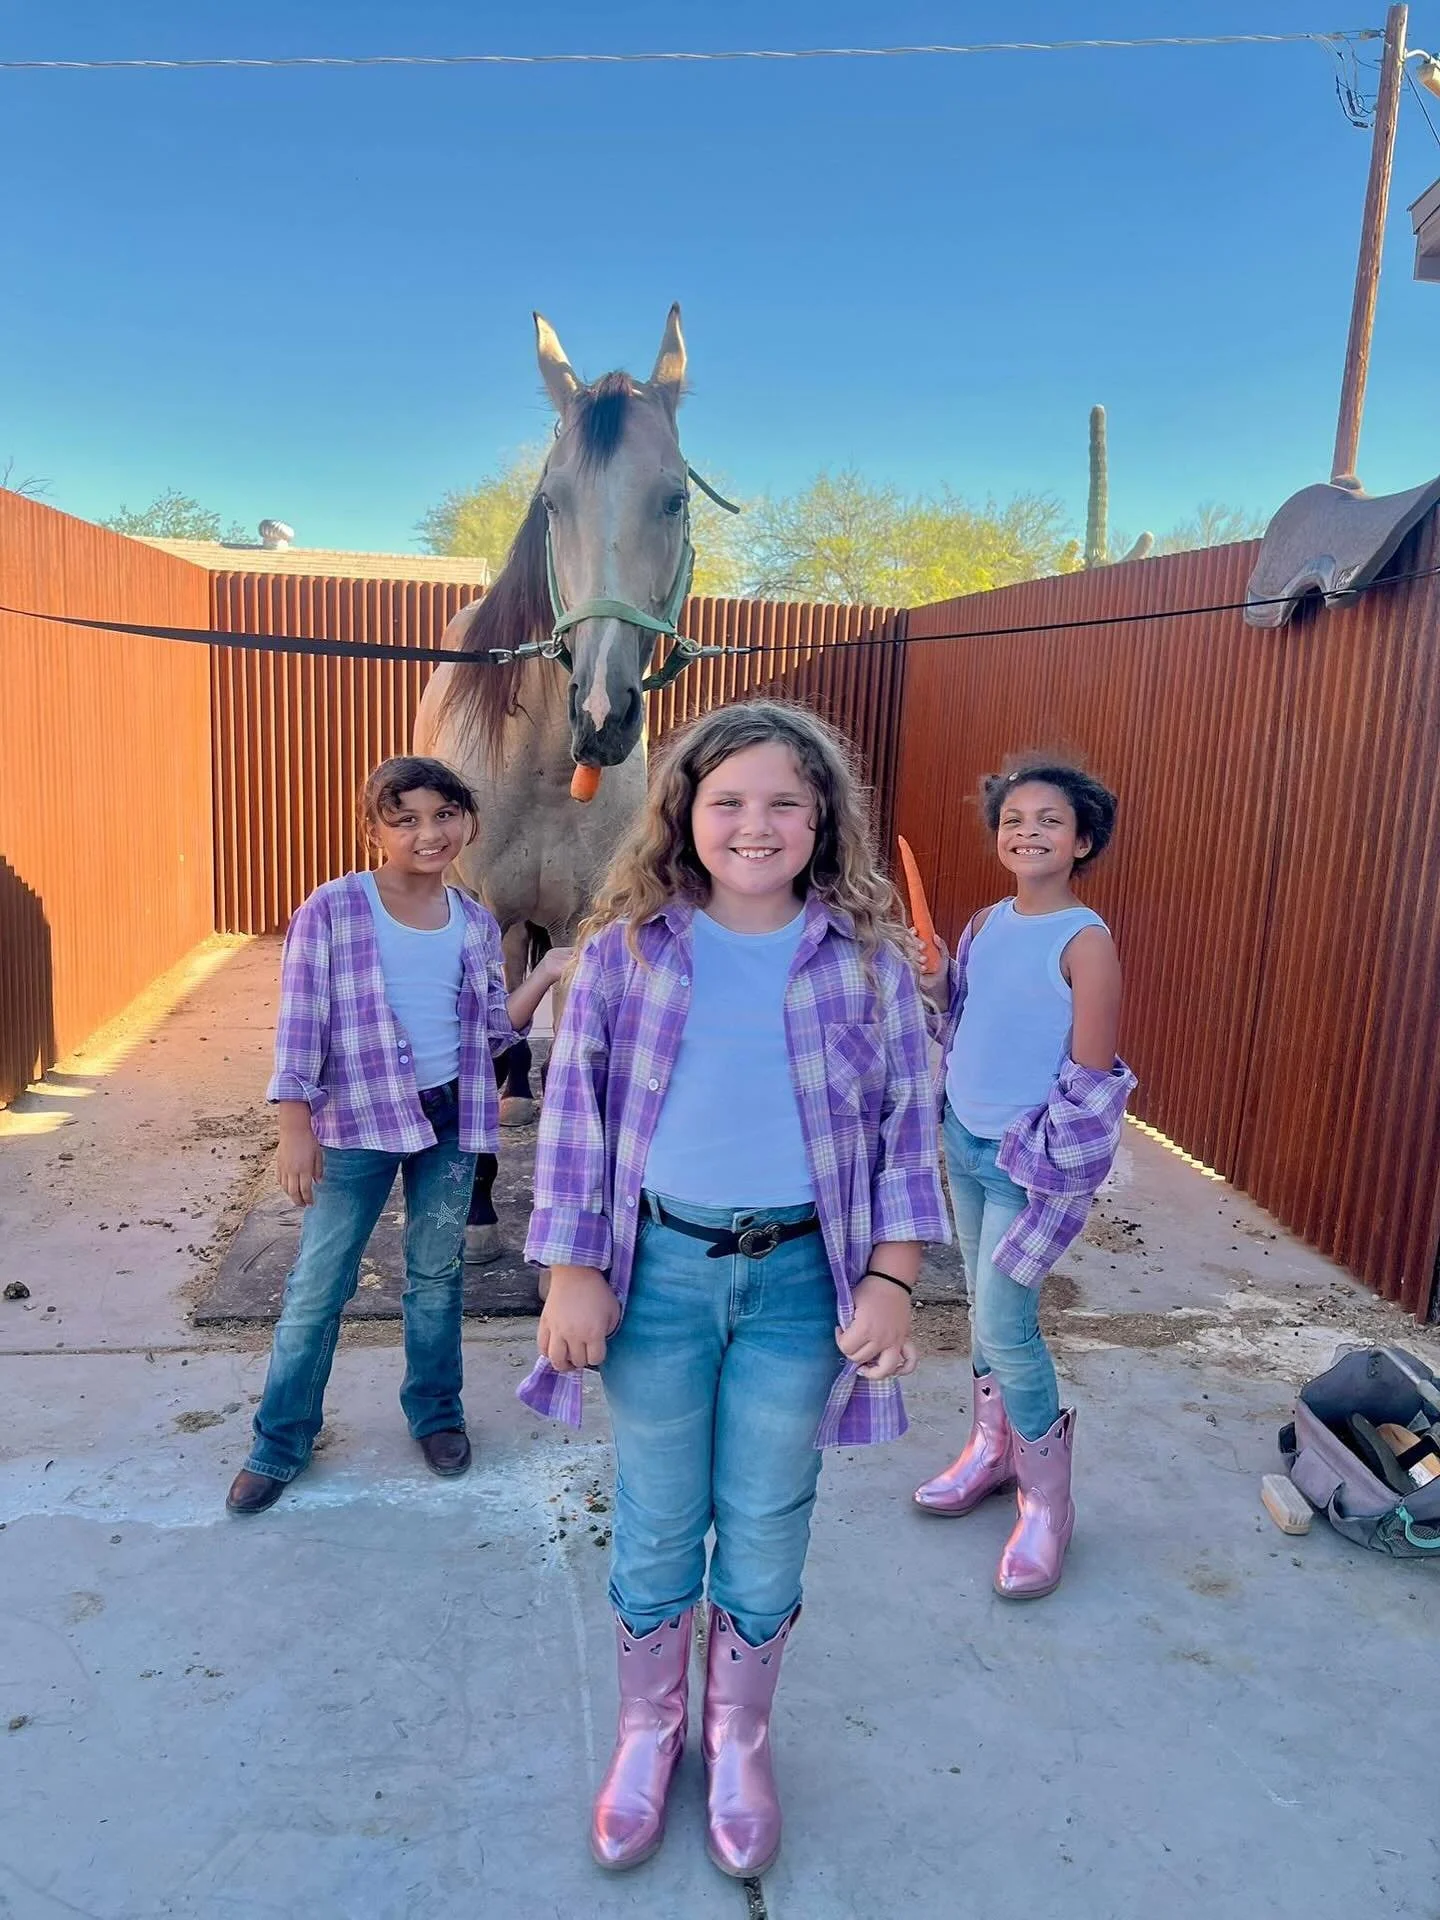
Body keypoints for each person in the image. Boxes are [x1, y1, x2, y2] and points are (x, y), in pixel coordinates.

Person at [517, 702, 948, 1876]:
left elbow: (912, 1126)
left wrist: (892, 1277)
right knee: (660, 1517)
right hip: (654, 1278)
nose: (755, 826)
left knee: (764, 1518)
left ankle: (739, 1733)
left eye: (783, 803)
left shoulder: (866, 963)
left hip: (804, 1286)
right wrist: (570, 1273)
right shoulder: (623, 953)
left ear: (824, 820)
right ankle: (651, 1730)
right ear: (682, 816)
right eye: (728, 803)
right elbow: (573, 1119)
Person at [226, 755, 568, 1516]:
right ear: (373, 829)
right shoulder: (335, 908)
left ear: (467, 821)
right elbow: (300, 1019)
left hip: (449, 1121)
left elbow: (486, 1031)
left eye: (444, 815)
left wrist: (542, 981)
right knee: (319, 1287)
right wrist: (294, 1123)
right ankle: (279, 1443)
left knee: (437, 1276)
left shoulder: (475, 921)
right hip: (356, 1123)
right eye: (404, 819)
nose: (429, 833)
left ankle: (437, 1415)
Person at [913, 757, 1135, 1598]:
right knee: (981, 1309)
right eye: (1013, 819)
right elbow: (957, 1017)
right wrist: (935, 981)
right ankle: (991, 1452)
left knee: (1008, 1324)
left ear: (1082, 840)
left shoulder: (1085, 942)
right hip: (960, 1140)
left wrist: (1035, 1163)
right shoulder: (984, 923)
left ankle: (1050, 1506)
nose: (1027, 831)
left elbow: (1089, 1083)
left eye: (1049, 820)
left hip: (1023, 1164)